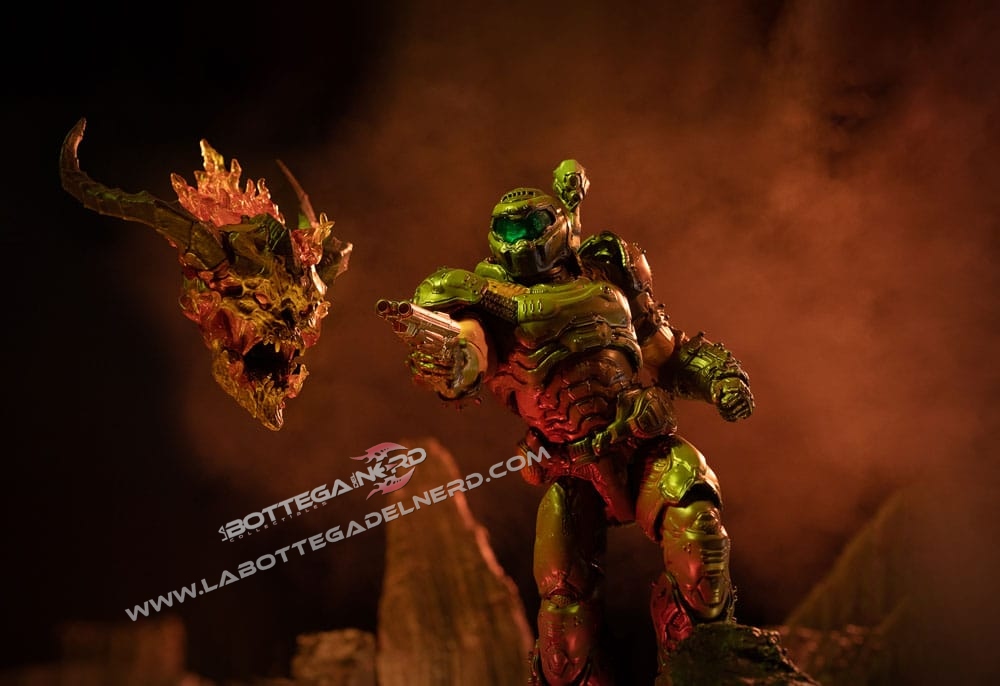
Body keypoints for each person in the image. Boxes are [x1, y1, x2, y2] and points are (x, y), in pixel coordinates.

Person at [394, 160, 754, 685]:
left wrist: (720, 380)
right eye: (508, 232)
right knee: (562, 628)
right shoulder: (476, 297)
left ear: (558, 226)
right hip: (570, 464)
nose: (521, 243)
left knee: (701, 543)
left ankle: (705, 671)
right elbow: (463, 356)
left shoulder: (607, 274)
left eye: (531, 227)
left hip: (640, 443)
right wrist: (452, 363)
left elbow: (665, 351)